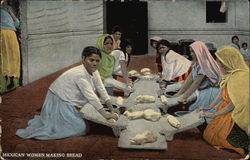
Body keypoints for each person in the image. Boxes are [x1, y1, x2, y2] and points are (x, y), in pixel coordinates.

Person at [16, 46, 118, 140]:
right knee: (80, 128)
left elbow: (101, 89)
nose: (94, 63)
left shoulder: (94, 71)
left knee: (90, 114)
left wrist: (112, 109)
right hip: (58, 100)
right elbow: (91, 96)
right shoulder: (80, 74)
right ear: (83, 59)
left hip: (67, 99)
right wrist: (106, 115)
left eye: (97, 61)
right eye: (91, 60)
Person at [199, 46, 249, 156]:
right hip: (224, 110)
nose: (219, 67)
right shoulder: (229, 75)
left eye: (220, 65)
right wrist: (209, 106)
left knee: (223, 138)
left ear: (227, 63)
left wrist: (213, 114)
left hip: (236, 114)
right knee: (209, 134)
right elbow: (222, 94)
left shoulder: (240, 77)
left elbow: (233, 104)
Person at [174, 41, 221, 117]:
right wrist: (179, 93)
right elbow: (189, 79)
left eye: (193, 52)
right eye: (190, 52)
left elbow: (196, 83)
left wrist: (183, 97)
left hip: (209, 92)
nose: (191, 54)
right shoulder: (197, 63)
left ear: (200, 52)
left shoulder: (205, 64)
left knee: (195, 111)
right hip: (201, 89)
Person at [0, 0, 20, 94]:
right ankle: (5, 82)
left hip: (12, 34)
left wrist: (10, 12)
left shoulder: (8, 11)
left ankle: (13, 80)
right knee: (4, 57)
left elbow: (17, 24)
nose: (4, 4)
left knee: (14, 56)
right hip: (2, 34)